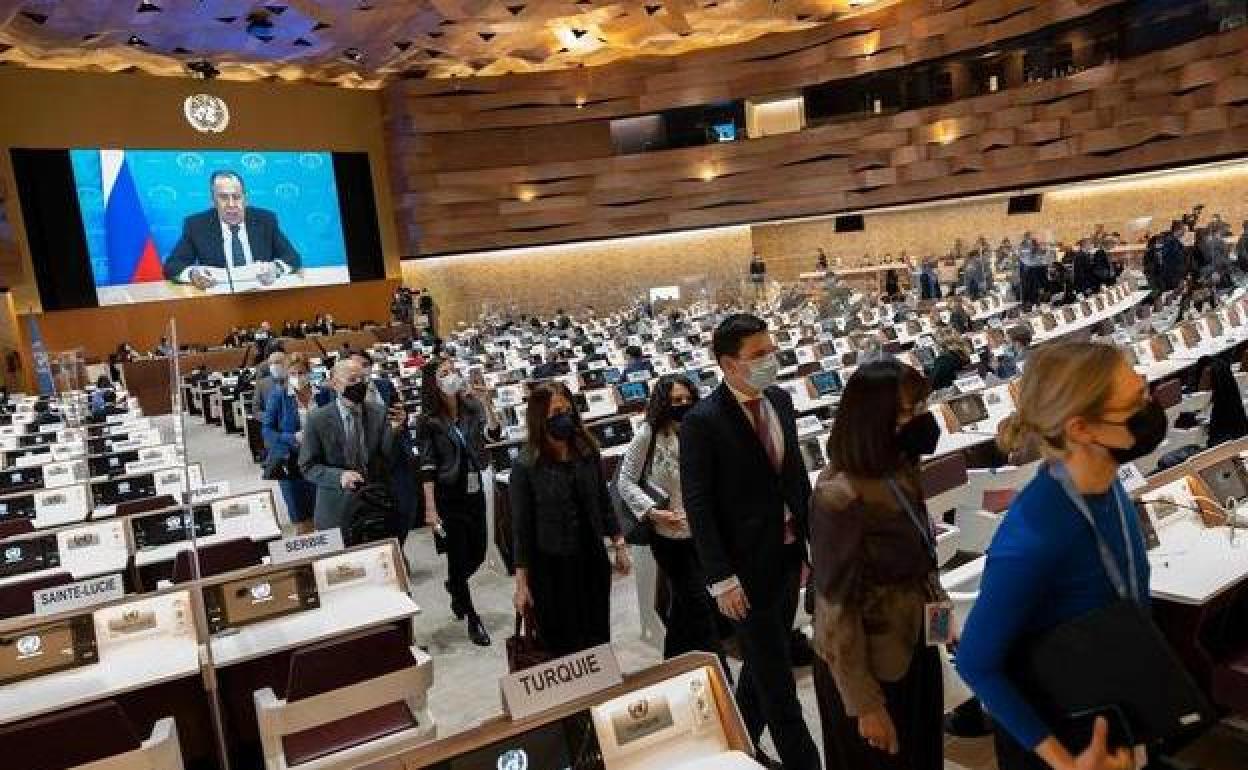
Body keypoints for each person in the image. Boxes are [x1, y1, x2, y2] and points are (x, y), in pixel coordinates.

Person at [957, 342, 1166, 770]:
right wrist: (1064, 763)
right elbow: (976, 663)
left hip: (1113, 704)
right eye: (1135, 403)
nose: (1150, 407)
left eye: (1144, 391)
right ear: (1082, 429)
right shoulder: (1032, 537)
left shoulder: (1105, 486)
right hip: (1067, 739)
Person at [680, 313, 821, 770]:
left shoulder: (779, 400)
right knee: (778, 682)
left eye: (771, 350)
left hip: (786, 555)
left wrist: (812, 543)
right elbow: (698, 506)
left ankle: (736, 746)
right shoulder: (703, 421)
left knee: (766, 660)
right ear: (728, 363)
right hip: (742, 569)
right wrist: (720, 578)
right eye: (758, 355)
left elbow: (794, 478)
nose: (770, 361)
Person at [811, 360, 946, 770]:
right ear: (875, 419)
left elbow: (923, 562)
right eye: (909, 411)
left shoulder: (900, 468)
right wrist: (865, 705)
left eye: (922, 406)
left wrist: (941, 626)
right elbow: (835, 609)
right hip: (868, 667)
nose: (920, 419)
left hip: (915, 647)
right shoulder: (839, 495)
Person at [510, 382, 631, 657]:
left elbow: (603, 501)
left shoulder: (586, 451)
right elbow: (522, 530)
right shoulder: (526, 466)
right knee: (564, 645)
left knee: (597, 635)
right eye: (555, 411)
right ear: (540, 417)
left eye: (567, 409)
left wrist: (619, 544)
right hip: (550, 568)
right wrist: (521, 585)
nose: (564, 416)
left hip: (592, 560)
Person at [617, 374, 722, 660]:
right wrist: (653, 512)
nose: (683, 404)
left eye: (688, 399)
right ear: (663, 402)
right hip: (669, 537)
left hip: (701, 531)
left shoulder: (700, 429)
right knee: (699, 603)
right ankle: (721, 674)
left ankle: (673, 657)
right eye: (677, 400)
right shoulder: (648, 434)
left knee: (688, 605)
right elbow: (625, 481)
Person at [417, 358, 502, 647]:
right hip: (447, 493)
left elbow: (493, 435)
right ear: (434, 382)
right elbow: (426, 465)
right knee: (457, 552)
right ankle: (472, 617)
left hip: (475, 487)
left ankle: (455, 585)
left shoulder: (472, 407)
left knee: (477, 552)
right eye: (444, 373)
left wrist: (488, 403)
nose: (452, 376)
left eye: (453, 371)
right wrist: (430, 508)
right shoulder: (428, 420)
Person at [299, 359, 406, 532]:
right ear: (335, 384)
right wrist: (339, 477)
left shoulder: (378, 412)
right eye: (352, 380)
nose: (359, 385)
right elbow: (307, 466)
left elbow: (387, 459)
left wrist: (395, 431)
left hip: (375, 503)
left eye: (362, 379)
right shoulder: (317, 419)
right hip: (336, 509)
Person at [163, 170, 301, 289]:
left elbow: (293, 258)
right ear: (213, 201)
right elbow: (172, 266)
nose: (231, 204)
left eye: (236, 197)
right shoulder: (197, 225)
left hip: (261, 296)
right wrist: (193, 274)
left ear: (245, 199)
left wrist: (276, 269)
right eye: (223, 198)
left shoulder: (265, 220)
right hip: (219, 302)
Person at [262, 353, 317, 535]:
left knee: (325, 517)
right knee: (302, 521)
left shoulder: (322, 394)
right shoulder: (278, 397)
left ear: (309, 373)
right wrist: (292, 437)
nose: (298, 377)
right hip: (291, 463)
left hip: (320, 461)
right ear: (287, 375)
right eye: (293, 374)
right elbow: (267, 431)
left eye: (301, 372)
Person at [252, 351, 287, 420]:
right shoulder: (262, 384)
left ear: (285, 364)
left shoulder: (293, 380)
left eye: (277, 362)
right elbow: (256, 410)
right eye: (271, 363)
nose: (274, 366)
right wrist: (269, 417)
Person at [1019, 231, 1049, 308]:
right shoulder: (1023, 246)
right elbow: (1025, 259)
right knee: (1030, 291)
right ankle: (1030, 304)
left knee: (1035, 292)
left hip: (1034, 273)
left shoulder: (1035, 246)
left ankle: (1035, 304)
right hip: (1029, 273)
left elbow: (1041, 258)